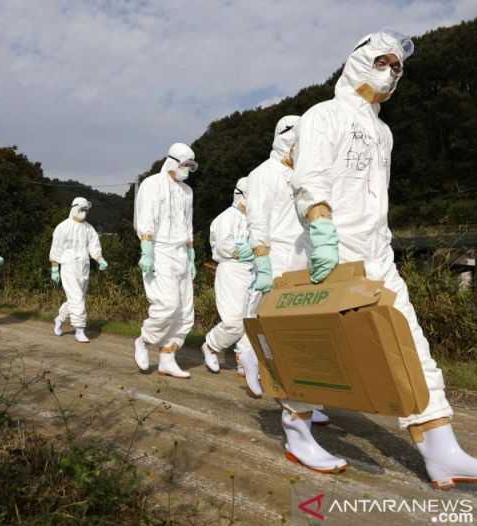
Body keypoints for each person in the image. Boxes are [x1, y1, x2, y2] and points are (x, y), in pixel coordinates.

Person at [285, 30, 477, 487]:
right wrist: (322, 229)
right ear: (358, 61)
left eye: (398, 67)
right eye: (383, 61)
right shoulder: (322, 115)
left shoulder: (384, 132)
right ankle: (296, 430)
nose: (391, 72)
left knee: (408, 342)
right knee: (318, 352)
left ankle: (440, 447)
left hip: (376, 253)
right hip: (329, 250)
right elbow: (308, 177)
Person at [242, 116, 332, 420]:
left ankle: (306, 401)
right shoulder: (262, 174)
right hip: (278, 260)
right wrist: (262, 262)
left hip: (304, 261)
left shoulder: (306, 175)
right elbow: (257, 221)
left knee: (305, 337)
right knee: (279, 337)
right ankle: (257, 365)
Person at [133, 143, 198, 378]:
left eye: (191, 166)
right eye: (184, 164)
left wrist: (191, 255)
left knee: (184, 311)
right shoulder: (152, 184)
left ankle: (167, 358)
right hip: (159, 251)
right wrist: (147, 250)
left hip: (181, 251)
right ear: (172, 161)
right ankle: (143, 340)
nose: (187, 169)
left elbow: (188, 223)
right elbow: (146, 218)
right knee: (167, 305)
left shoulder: (187, 192)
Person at [201, 178, 261, 376]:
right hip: (231, 271)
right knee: (234, 321)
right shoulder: (225, 218)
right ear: (240, 195)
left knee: (250, 318)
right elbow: (222, 247)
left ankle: (244, 359)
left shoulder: (255, 218)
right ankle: (211, 346)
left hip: (253, 271)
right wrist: (244, 250)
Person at [50, 198, 106, 343]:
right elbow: (56, 249)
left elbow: (94, 245)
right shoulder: (63, 227)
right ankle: (80, 329)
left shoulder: (89, 228)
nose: (84, 213)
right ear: (74, 208)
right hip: (68, 266)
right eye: (82, 209)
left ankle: (59, 319)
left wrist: (100, 259)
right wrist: (55, 268)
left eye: (86, 210)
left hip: (84, 267)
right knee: (77, 298)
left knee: (76, 298)